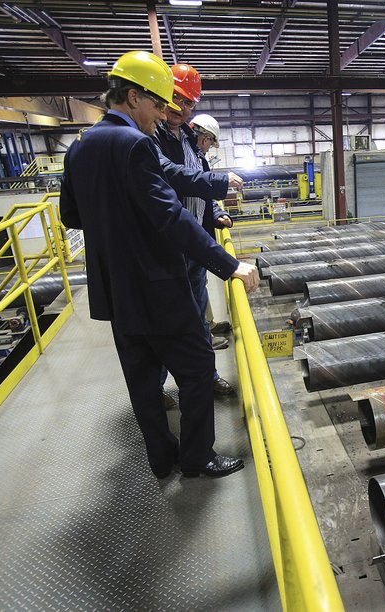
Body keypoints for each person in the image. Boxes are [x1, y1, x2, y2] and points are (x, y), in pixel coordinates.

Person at [59, 50, 259, 479]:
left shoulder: (79, 148)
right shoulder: (134, 144)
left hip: (115, 290)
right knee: (198, 366)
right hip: (157, 287)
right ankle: (196, 458)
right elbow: (170, 218)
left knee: (144, 381)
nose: (163, 114)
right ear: (133, 97)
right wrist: (230, 265)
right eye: (157, 104)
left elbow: (72, 218)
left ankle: (161, 458)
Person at [152, 64, 237, 399]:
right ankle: (157, 388)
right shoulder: (150, 139)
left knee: (198, 319)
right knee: (165, 323)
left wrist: (214, 212)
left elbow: (197, 182)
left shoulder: (188, 139)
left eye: (187, 103)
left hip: (194, 248)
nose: (181, 107)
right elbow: (172, 176)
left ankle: (208, 377)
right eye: (175, 99)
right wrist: (218, 184)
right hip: (166, 249)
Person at [189, 113, 233, 339]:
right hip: (187, 235)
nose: (208, 148)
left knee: (199, 284)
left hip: (196, 232)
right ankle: (203, 337)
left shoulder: (198, 159)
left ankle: (208, 324)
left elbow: (204, 198)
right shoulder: (183, 156)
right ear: (204, 137)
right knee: (192, 290)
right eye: (209, 142)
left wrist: (218, 213)